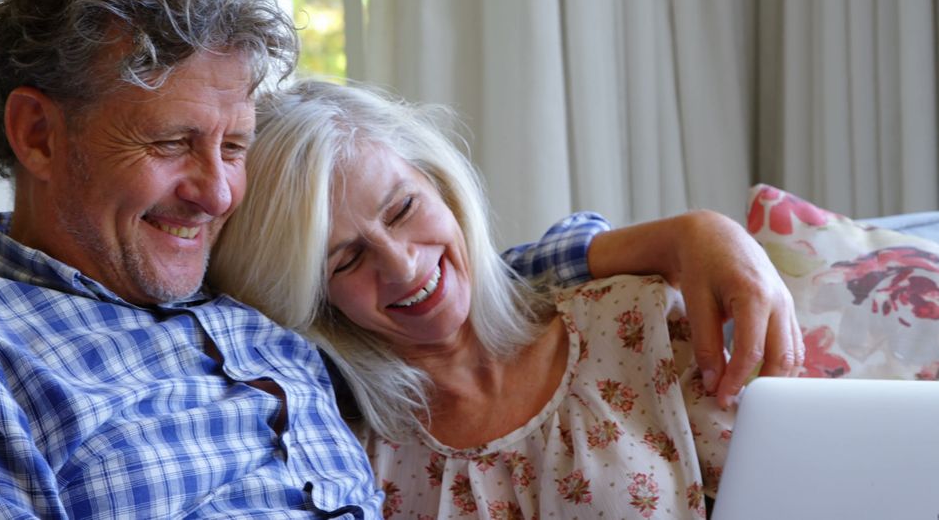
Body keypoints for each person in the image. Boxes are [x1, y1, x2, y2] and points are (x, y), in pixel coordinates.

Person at [0, 0, 683, 517]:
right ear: (38, 135)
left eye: (236, 145)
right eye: (172, 143)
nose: (216, 192)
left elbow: (432, 283)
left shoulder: (236, 297)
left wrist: (675, 241)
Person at [209, 79, 803, 517]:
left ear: (444, 188)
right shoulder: (346, 452)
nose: (403, 265)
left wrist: (696, 231)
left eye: (404, 209)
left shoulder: (636, 322)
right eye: (347, 259)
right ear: (313, 299)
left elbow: (797, 491)